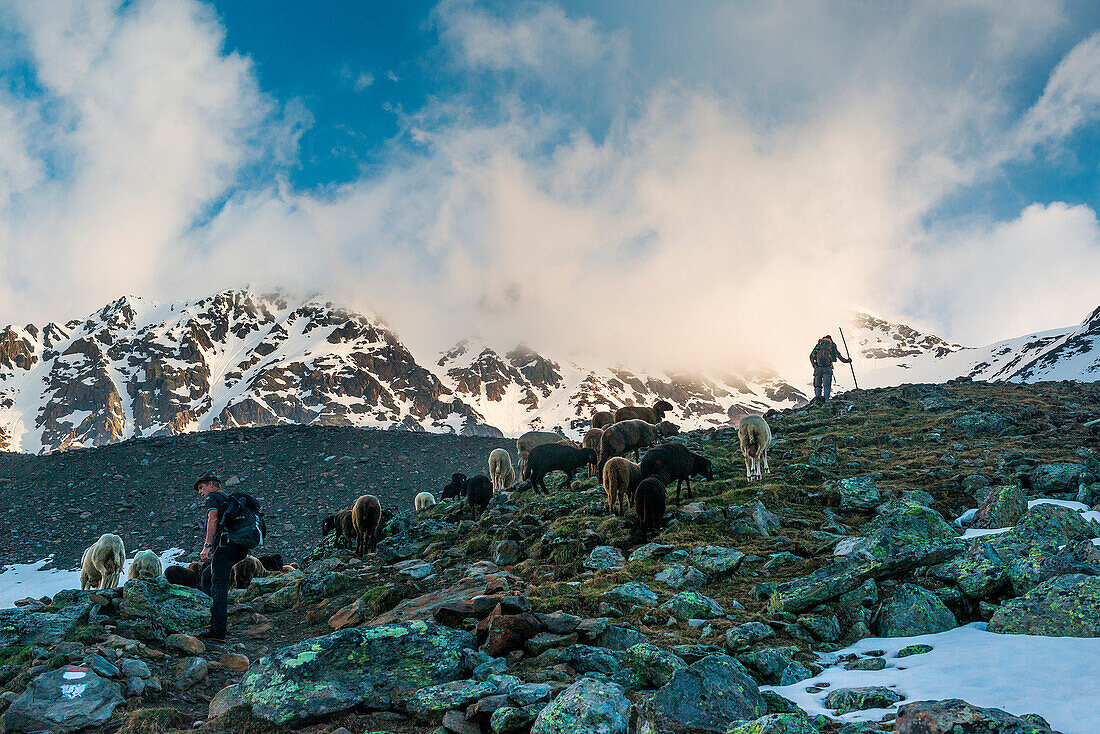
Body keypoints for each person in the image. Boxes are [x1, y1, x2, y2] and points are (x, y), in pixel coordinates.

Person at [194, 474, 246, 642]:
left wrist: (207, 546)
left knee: (219, 586)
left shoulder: (213, 497)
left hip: (224, 546)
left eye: (201, 487)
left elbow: (213, 518)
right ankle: (213, 620)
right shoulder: (227, 498)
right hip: (238, 548)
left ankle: (218, 631)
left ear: (211, 484)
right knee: (207, 576)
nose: (200, 492)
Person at [809, 335, 851, 402]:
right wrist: (848, 360)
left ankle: (817, 399)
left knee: (818, 385)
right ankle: (826, 401)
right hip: (827, 368)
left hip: (818, 368)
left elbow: (811, 356)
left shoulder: (819, 345)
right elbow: (841, 358)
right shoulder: (832, 346)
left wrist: (815, 367)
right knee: (827, 385)